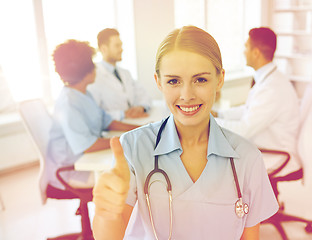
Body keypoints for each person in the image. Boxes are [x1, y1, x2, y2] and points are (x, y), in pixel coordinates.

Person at [92, 26, 278, 240]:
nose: (187, 95)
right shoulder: (134, 147)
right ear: (159, 82)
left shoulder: (248, 158)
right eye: (173, 81)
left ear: (219, 79)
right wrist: (106, 214)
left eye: (200, 80)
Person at [47, 40, 140, 190]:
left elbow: (107, 121)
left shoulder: (84, 93)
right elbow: (89, 146)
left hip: (88, 160)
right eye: (92, 63)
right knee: (130, 178)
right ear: (86, 70)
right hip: (73, 170)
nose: (95, 67)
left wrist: (140, 129)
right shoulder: (68, 103)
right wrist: (127, 140)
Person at [213, 27, 300, 173]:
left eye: (246, 47)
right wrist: (220, 114)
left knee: (215, 157)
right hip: (266, 144)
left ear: (256, 53)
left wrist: (208, 122)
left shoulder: (271, 88)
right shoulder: (270, 79)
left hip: (274, 153)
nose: (243, 52)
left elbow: (244, 130)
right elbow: (249, 109)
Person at [87, 28, 151, 121]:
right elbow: (93, 112)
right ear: (104, 49)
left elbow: (144, 94)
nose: (121, 49)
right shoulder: (94, 76)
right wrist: (123, 114)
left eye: (121, 45)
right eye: (117, 46)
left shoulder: (125, 73)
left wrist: (141, 107)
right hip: (112, 129)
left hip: (133, 122)